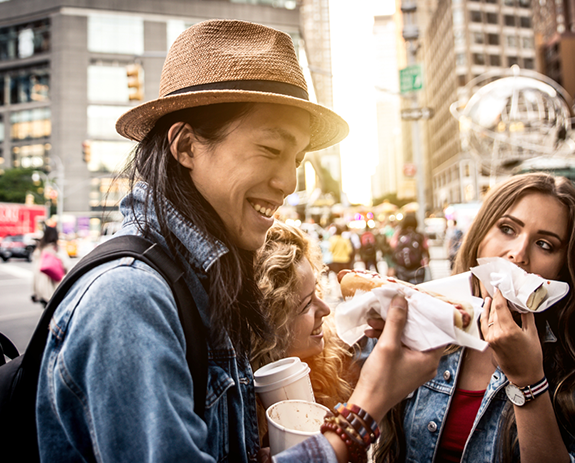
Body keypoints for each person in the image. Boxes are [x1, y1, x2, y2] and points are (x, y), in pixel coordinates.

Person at [36, 20, 443, 463]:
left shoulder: (208, 279)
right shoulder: (129, 299)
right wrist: (362, 414)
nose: (288, 181)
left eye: (297, 159)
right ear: (186, 146)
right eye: (270, 150)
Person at [373, 173, 575, 463]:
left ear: (562, 271)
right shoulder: (424, 335)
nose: (518, 254)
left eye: (545, 244)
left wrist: (529, 381)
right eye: (508, 229)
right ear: (481, 235)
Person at [253, 221, 357, 412]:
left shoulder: (345, 352)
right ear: (270, 321)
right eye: (307, 304)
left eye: (317, 290)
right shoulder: (242, 401)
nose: (326, 309)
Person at [31, 225, 67, 307]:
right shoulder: (56, 250)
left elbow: (35, 274)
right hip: (55, 291)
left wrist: (35, 292)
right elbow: (67, 266)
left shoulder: (39, 250)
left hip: (42, 291)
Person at [392, 214, 429, 284]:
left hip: (401, 269)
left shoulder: (399, 234)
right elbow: (426, 247)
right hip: (417, 269)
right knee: (416, 290)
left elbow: (393, 246)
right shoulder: (419, 235)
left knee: (403, 290)